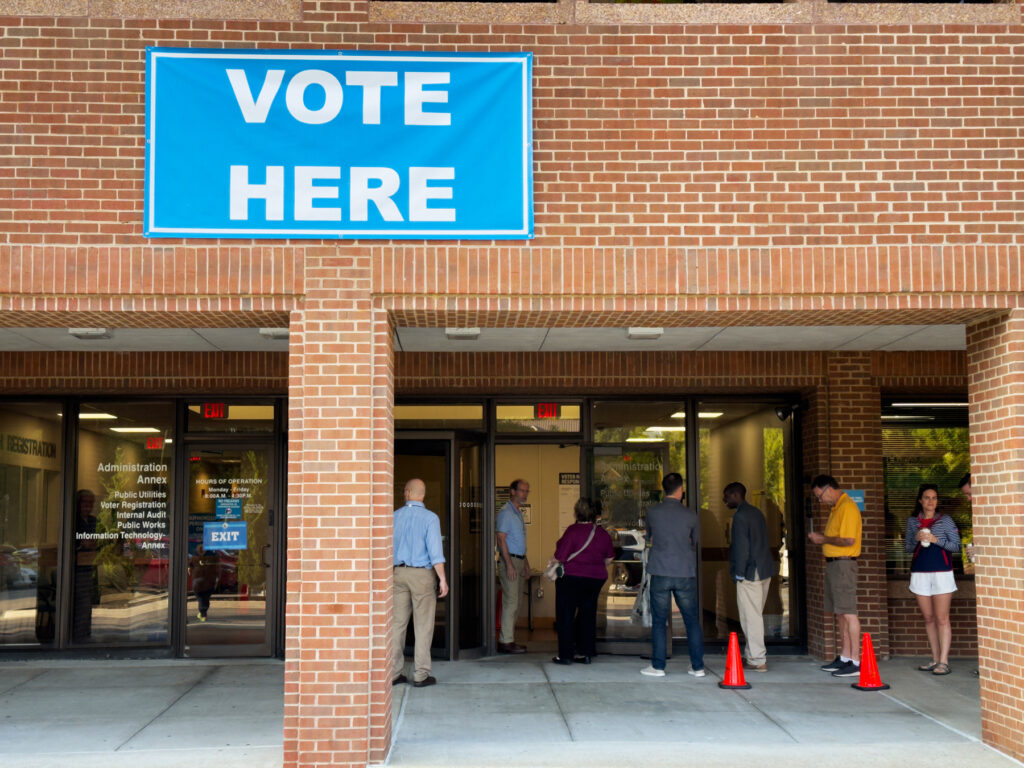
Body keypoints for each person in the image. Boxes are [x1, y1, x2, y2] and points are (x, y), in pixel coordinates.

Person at [640, 472, 705, 678]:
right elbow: (694, 541)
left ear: (663, 490)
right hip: (684, 572)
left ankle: (658, 667)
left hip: (660, 570)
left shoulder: (652, 512)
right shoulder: (691, 514)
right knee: (691, 621)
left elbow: (649, 537)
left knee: (659, 621)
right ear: (681, 489)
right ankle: (697, 667)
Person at [392, 478, 448, 688]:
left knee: (397, 625)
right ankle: (420, 674)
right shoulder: (430, 518)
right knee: (423, 625)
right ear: (422, 495)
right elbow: (435, 552)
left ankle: (394, 673)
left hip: (398, 573)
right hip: (422, 576)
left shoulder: (394, 516)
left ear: (406, 493)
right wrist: (442, 578)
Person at [548, 498, 615, 665]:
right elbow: (610, 557)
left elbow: (561, 556)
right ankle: (585, 653)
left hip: (571, 578)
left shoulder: (572, 531)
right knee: (588, 615)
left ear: (576, 512)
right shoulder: (602, 533)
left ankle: (566, 655)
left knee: (566, 615)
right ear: (595, 514)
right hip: (595, 579)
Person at [808, 474, 863, 678]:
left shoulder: (847, 507)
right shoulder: (836, 508)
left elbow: (848, 540)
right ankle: (845, 657)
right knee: (839, 613)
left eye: (820, 496)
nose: (820, 500)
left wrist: (823, 538)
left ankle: (856, 661)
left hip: (843, 564)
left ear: (829, 488)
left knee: (848, 612)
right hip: (834, 565)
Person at [905, 483, 960, 676]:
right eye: (927, 498)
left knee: (942, 618)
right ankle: (935, 659)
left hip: (942, 573)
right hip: (920, 573)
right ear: (920, 500)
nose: (931, 501)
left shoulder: (945, 520)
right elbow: (909, 548)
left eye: (934, 498)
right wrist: (916, 538)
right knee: (928, 618)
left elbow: (956, 546)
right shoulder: (913, 521)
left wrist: (937, 540)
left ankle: (944, 662)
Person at [724, 482, 776, 672]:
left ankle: (757, 659)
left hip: (749, 573)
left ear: (737, 495)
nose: (724, 500)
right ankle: (752, 655)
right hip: (764, 570)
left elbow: (741, 548)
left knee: (750, 617)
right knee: (754, 615)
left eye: (727, 496)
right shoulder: (757, 514)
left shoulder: (740, 517)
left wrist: (738, 573)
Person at [496, 478, 530, 654]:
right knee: (511, 602)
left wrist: (526, 563)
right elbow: (501, 539)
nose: (524, 494)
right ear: (513, 491)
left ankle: (509, 638)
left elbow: (519, 542)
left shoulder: (518, 513)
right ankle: (505, 641)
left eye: (526, 491)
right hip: (510, 561)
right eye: (522, 490)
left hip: (519, 560)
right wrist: (509, 564)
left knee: (517, 601)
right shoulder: (505, 513)